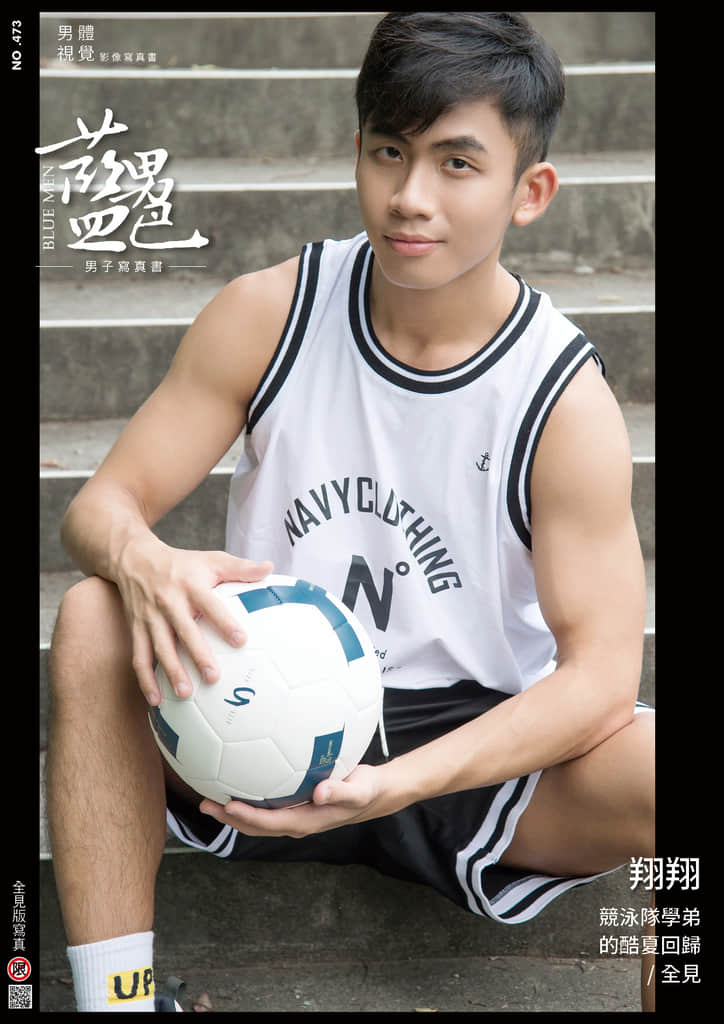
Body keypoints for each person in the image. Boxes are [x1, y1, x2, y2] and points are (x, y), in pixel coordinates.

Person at [47, 11, 655, 1013]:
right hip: (254, 705)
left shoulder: (560, 397)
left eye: (457, 163)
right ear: (358, 152)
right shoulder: (270, 314)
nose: (411, 196)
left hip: (467, 742)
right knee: (92, 615)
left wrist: (400, 781)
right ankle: (116, 1001)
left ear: (529, 192)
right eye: (389, 152)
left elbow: (598, 683)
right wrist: (143, 560)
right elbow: (100, 509)